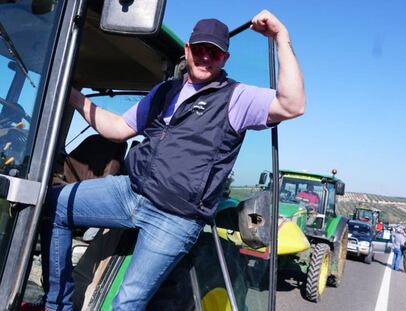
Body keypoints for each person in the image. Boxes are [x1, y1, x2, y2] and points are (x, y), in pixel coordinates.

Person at [29, 10, 305, 310]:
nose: (204, 58)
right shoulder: (165, 91)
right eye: (199, 49)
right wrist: (72, 95)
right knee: (54, 205)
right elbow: (119, 129)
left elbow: (292, 104)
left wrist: (281, 37)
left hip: (174, 219)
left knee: (127, 302)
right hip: (130, 193)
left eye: (213, 53)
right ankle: (58, 305)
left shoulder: (235, 98)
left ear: (224, 58)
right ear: (188, 49)